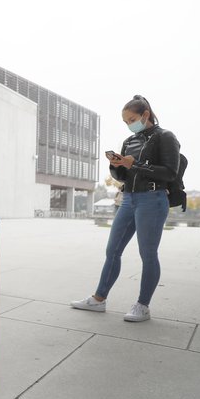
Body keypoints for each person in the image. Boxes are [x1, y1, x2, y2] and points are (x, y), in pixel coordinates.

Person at [71, 95, 179, 322]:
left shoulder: (165, 137)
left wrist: (136, 164)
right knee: (112, 251)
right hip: (129, 199)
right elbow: (122, 175)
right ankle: (99, 299)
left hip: (153, 198)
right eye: (126, 121)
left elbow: (170, 172)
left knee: (147, 254)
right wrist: (115, 165)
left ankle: (143, 305)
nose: (130, 124)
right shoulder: (130, 141)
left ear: (145, 115)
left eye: (132, 119)